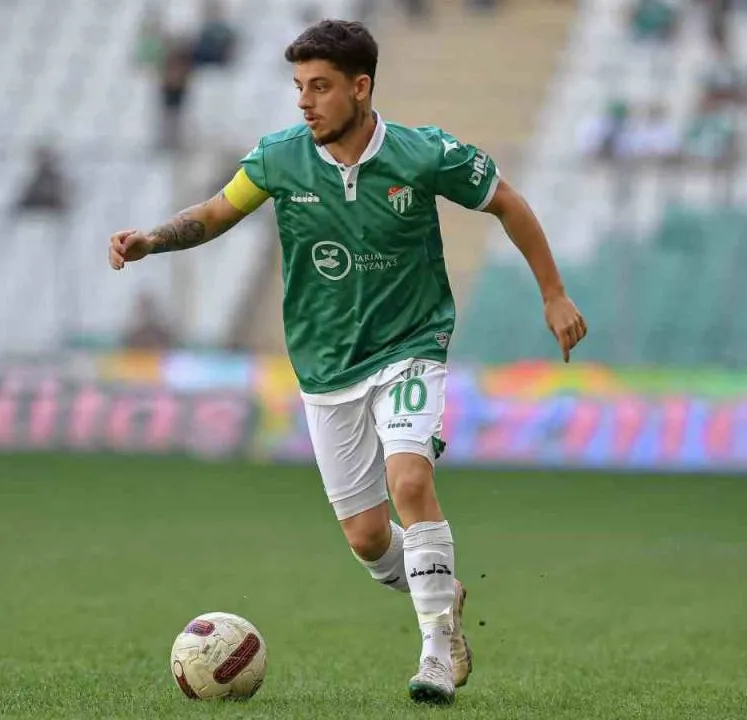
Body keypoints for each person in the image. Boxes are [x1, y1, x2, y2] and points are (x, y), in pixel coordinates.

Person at [107, 19, 587, 705]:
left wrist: (554, 293)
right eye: (299, 87)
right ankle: (442, 592)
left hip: (410, 346)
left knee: (409, 480)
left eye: (320, 87)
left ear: (361, 88)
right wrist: (152, 239)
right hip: (325, 366)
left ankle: (436, 654)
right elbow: (214, 213)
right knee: (366, 539)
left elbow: (506, 202)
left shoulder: (424, 154)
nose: (305, 102)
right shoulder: (279, 158)